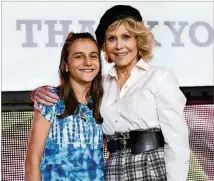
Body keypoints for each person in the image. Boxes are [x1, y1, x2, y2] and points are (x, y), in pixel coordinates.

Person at [31, 5, 190, 181]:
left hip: (150, 164)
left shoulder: (159, 77)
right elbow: (73, 91)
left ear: (138, 40)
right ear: (105, 46)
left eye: (126, 37)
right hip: (112, 167)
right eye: (112, 39)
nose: (119, 46)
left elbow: (177, 142)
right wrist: (39, 92)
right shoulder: (101, 85)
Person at [25, 32, 104, 181]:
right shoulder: (51, 100)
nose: (88, 62)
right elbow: (32, 161)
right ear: (65, 65)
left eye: (93, 56)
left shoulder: (100, 103)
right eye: (79, 56)